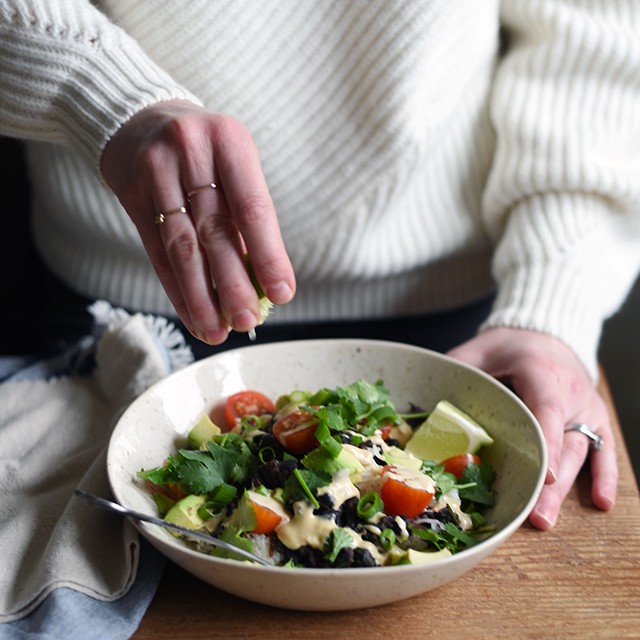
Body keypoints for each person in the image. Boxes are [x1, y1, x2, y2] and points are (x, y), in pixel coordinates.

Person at [1, 0, 639, 532]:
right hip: (117, 322)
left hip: (466, 335)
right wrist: (95, 87)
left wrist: (555, 300)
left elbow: (596, 48)